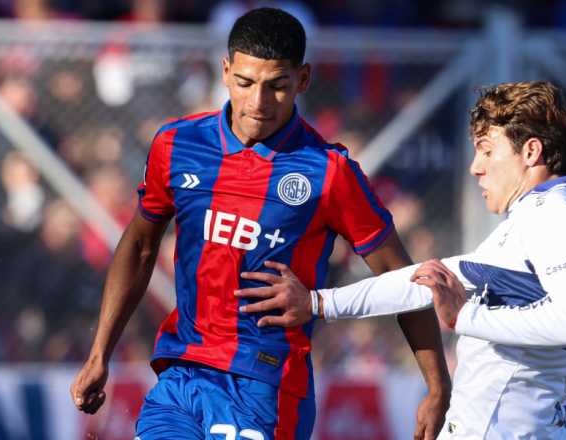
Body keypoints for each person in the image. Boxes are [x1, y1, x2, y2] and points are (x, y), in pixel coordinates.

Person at [68, 7, 451, 440]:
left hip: (266, 387)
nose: (258, 103)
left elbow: (400, 277)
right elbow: (139, 245)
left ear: (303, 80)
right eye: (246, 83)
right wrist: (100, 352)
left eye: (277, 87)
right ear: (226, 71)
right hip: (180, 377)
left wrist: (437, 384)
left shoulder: (327, 172)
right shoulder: (177, 145)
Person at [236, 81, 566, 439]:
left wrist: (465, 316)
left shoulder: (558, 215)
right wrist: (319, 302)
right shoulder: (529, 222)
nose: (475, 166)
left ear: (531, 152)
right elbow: (422, 281)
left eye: (487, 150)